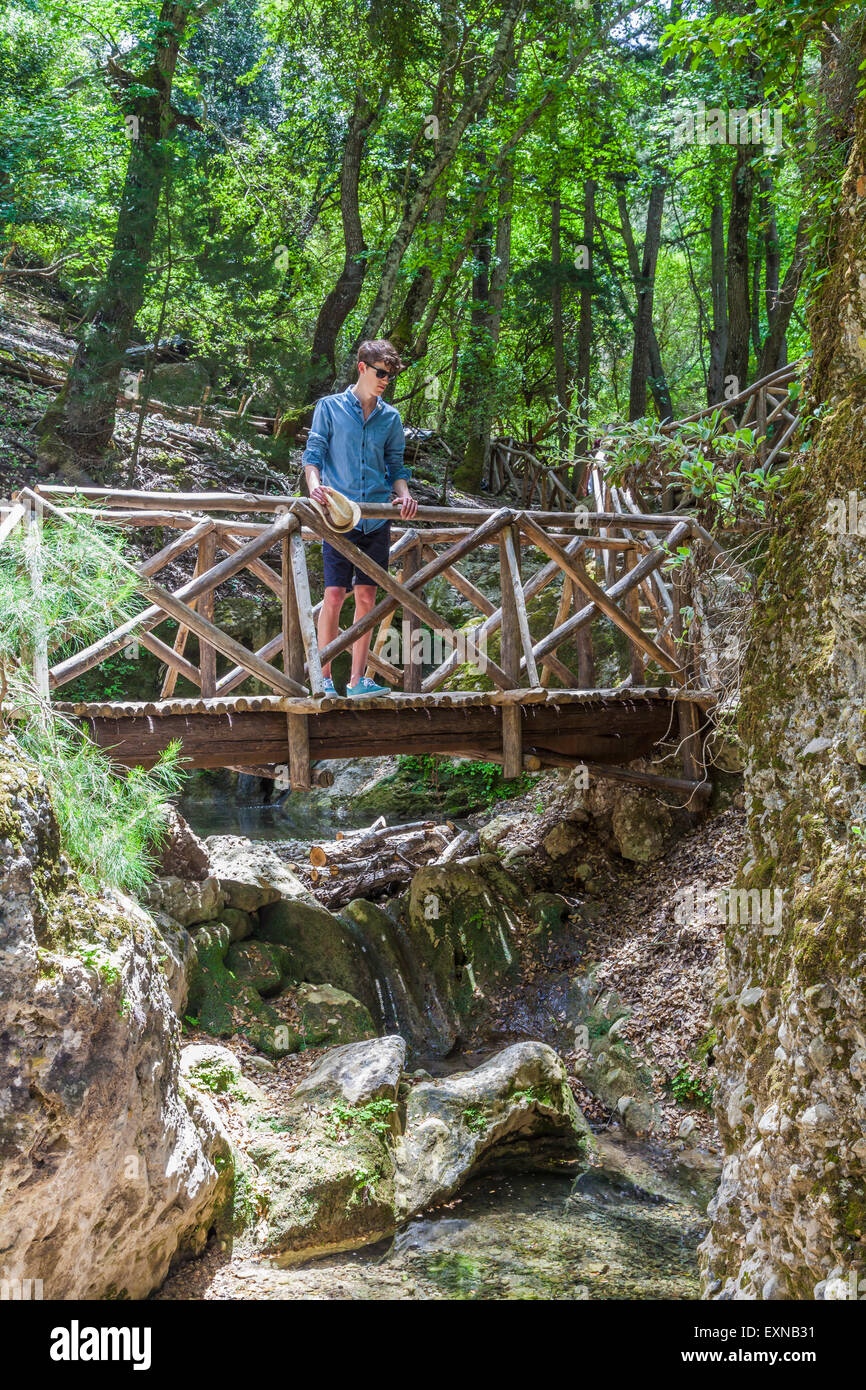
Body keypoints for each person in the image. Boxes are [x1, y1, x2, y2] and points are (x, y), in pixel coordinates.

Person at [303, 339, 418, 697]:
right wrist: (314, 488)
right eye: (381, 373)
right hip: (339, 517)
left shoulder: (391, 418)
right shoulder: (330, 407)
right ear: (362, 368)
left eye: (390, 375)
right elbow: (314, 455)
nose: (386, 380)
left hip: (377, 518)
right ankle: (323, 679)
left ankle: (357, 681)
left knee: (367, 597)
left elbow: (397, 466)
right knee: (335, 594)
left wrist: (404, 495)